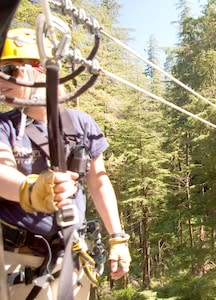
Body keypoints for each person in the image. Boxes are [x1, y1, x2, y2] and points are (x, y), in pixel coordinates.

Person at [0, 28, 131, 298]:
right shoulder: (6, 127)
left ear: (41, 69)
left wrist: (117, 237)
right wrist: (30, 190)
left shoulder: (81, 124)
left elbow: (99, 181)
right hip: (18, 261)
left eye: (10, 70)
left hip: (72, 257)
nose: (2, 80)